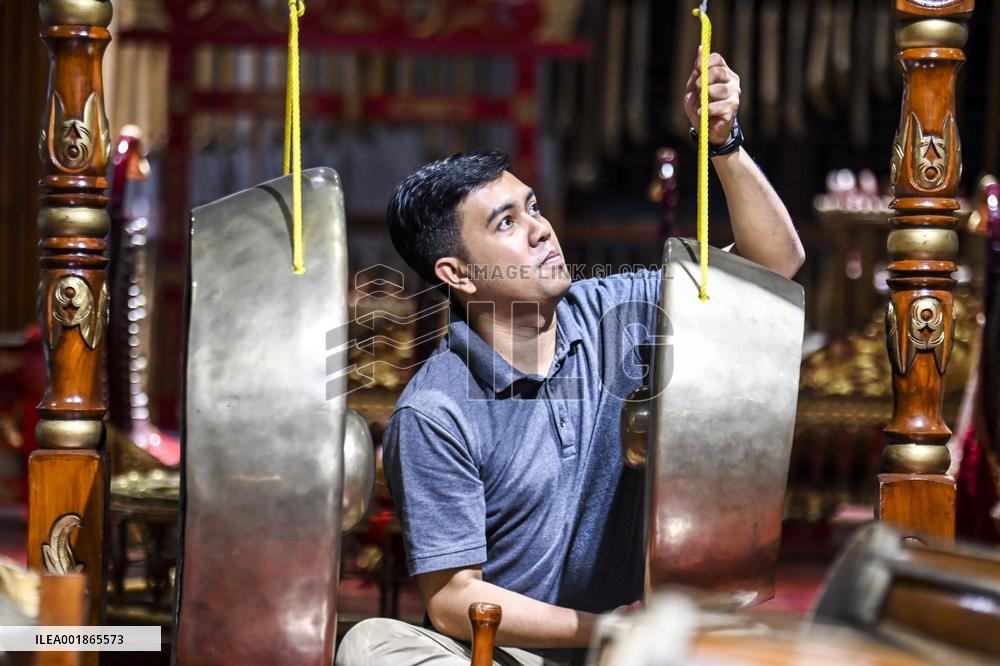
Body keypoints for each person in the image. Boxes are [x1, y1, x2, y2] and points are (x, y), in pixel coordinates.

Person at [336, 50, 805, 666]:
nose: (540, 229)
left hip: (636, 652)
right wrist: (602, 629)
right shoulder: (435, 411)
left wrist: (723, 145)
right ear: (458, 274)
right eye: (506, 222)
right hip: (516, 655)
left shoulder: (618, 312)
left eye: (533, 207)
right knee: (371, 646)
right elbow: (454, 600)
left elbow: (775, 266)